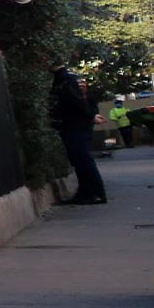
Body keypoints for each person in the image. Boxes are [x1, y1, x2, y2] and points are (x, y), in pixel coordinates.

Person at [50, 64, 107, 205]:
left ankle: (95, 193)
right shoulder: (70, 77)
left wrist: (90, 115)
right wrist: (92, 114)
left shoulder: (65, 79)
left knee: (83, 160)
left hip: (75, 125)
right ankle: (86, 193)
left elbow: (78, 100)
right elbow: (88, 98)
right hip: (76, 124)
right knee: (80, 160)